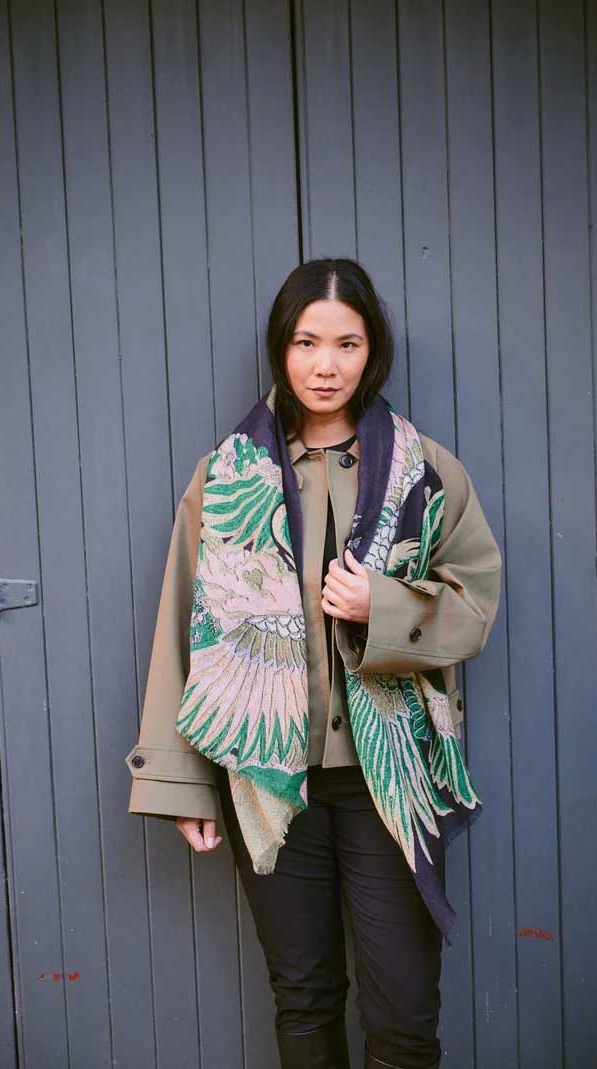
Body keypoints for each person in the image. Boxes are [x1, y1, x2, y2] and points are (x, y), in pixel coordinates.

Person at [126, 258, 502, 1069]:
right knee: (302, 996)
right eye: (305, 342)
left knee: (404, 1009)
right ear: (280, 347)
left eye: (346, 343)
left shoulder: (425, 470)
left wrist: (382, 606)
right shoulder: (224, 474)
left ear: (373, 351)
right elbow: (182, 626)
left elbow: (474, 599)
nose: (324, 365)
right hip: (267, 776)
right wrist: (181, 782)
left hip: (386, 780)